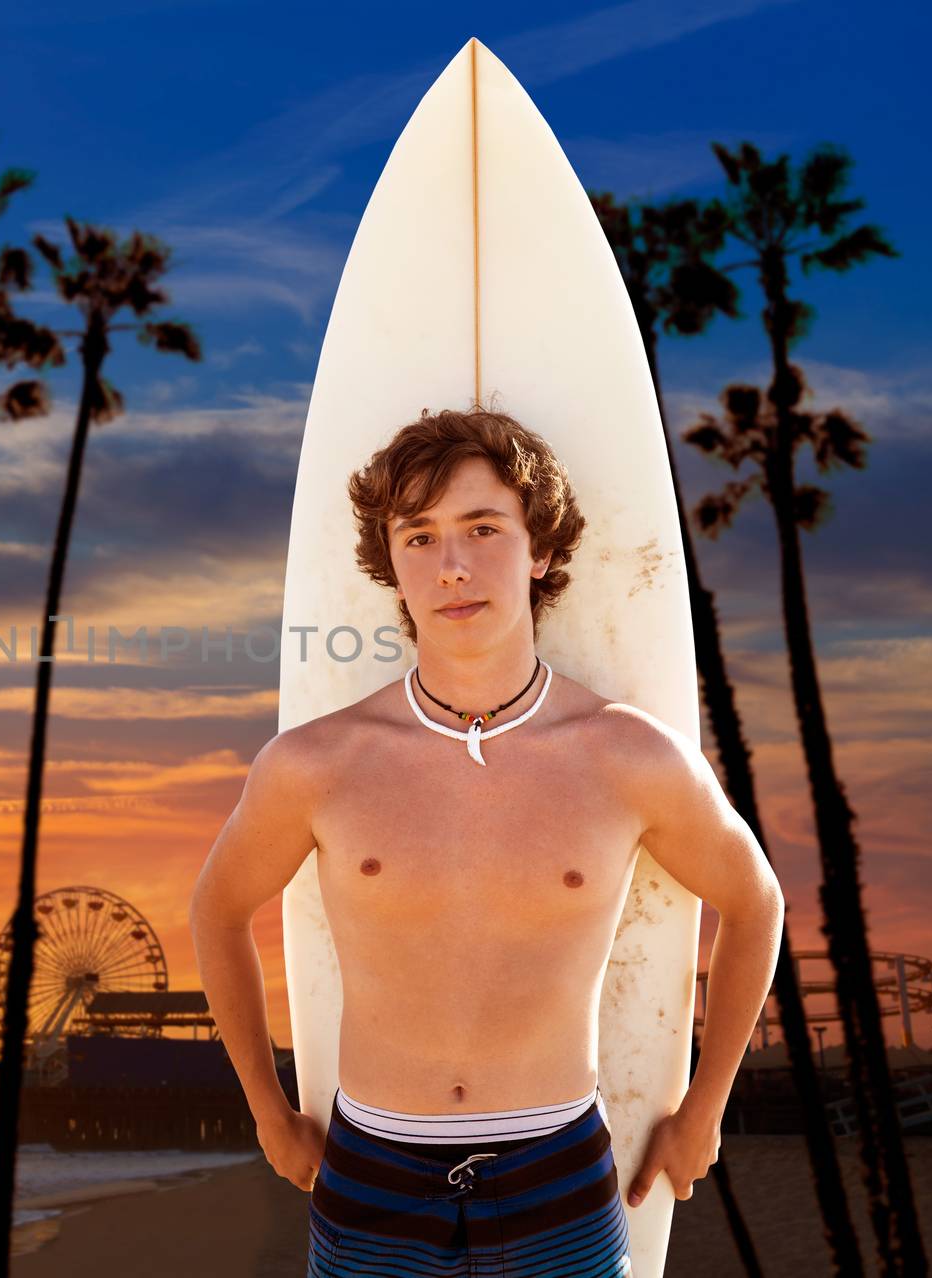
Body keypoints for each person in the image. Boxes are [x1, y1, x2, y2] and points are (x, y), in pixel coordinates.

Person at [189, 407, 785, 1276]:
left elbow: (754, 899)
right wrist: (268, 1113)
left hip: (557, 1172)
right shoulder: (317, 765)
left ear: (538, 549)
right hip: (372, 1175)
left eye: (482, 528)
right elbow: (218, 907)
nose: (453, 566)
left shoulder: (627, 756)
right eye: (419, 537)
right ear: (390, 564)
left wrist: (705, 1110)